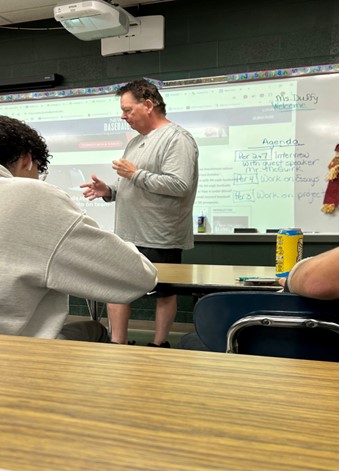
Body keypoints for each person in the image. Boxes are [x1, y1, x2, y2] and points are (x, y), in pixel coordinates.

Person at [0, 115, 157, 341]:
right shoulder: (32, 195)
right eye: (38, 170)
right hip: (17, 357)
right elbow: (140, 277)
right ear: (27, 159)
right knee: (95, 330)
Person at [81, 78, 199, 347]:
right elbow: (130, 185)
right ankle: (118, 344)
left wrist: (135, 174)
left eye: (127, 110)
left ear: (148, 105)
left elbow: (180, 185)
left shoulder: (177, 139)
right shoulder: (135, 142)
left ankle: (159, 346)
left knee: (163, 294)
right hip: (126, 234)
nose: (123, 117)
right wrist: (109, 190)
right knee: (116, 288)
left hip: (159, 235)